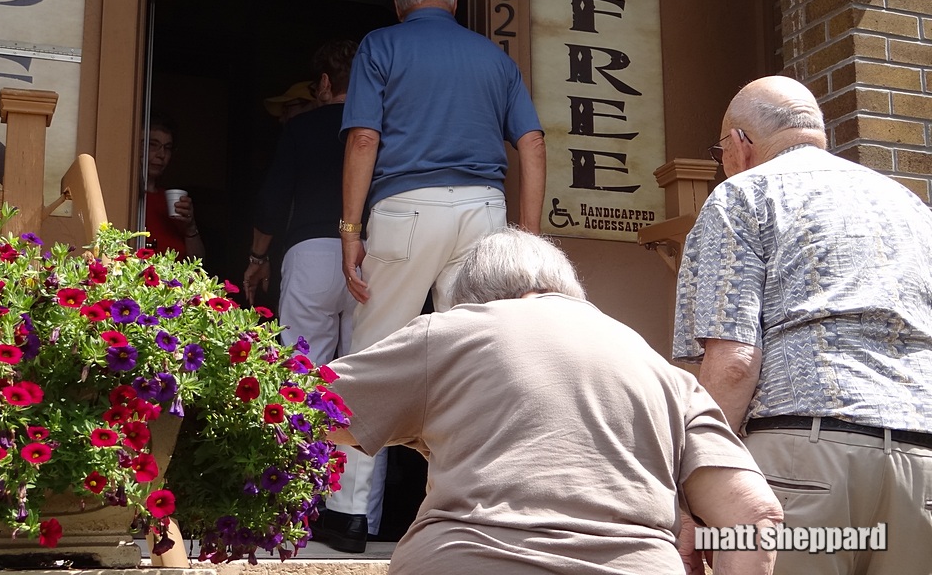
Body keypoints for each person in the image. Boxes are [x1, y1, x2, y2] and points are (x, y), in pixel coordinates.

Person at [323, 228, 782, 574]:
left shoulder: (457, 330)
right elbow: (753, 512)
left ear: (480, 301)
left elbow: (300, 407)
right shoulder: (665, 372)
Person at [318, 0, 547, 552]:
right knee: (476, 359)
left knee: (372, 354)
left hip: (405, 211)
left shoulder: (381, 45)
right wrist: (527, 236)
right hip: (484, 213)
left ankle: (345, 516)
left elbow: (364, 136)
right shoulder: (495, 59)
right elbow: (532, 141)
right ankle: (471, 511)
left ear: (402, 4)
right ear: (451, 3)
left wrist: (349, 228)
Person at [673, 75, 932, 575]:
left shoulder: (743, 195)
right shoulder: (912, 207)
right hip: (922, 456)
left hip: (805, 457)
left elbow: (733, 363)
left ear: (739, 144)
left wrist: (691, 480)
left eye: (719, 150)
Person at [242, 39, 357, 364]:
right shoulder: (379, 129)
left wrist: (258, 255)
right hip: (369, 253)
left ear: (324, 82)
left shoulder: (302, 127)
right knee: (363, 366)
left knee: (302, 369)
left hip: (311, 255)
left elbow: (272, 199)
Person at [143, 114, 205, 260]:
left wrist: (190, 227)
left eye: (167, 148)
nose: (161, 154)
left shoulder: (170, 201)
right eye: (153, 145)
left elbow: (197, 263)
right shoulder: (126, 195)